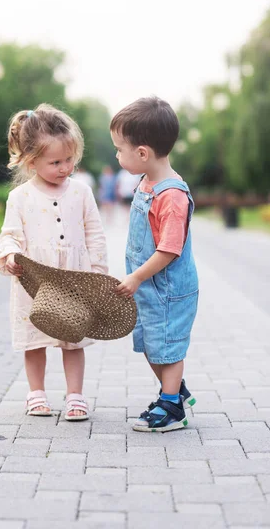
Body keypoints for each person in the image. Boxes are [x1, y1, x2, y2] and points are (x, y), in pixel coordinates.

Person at [0, 104, 108, 420]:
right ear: (32, 162)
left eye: (70, 160)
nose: (65, 168)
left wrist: (97, 274)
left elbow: (95, 234)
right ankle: (36, 393)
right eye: (56, 162)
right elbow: (9, 235)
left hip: (74, 279)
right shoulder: (20, 198)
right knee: (34, 341)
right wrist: (10, 256)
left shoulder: (82, 192)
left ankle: (75, 395)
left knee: (73, 341)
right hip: (35, 281)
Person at [111, 96, 198, 433]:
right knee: (150, 342)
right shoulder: (146, 183)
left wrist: (135, 277)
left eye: (120, 149)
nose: (118, 155)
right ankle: (174, 391)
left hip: (167, 289)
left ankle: (172, 406)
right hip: (148, 285)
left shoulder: (172, 196)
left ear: (143, 153)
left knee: (167, 345)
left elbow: (169, 250)